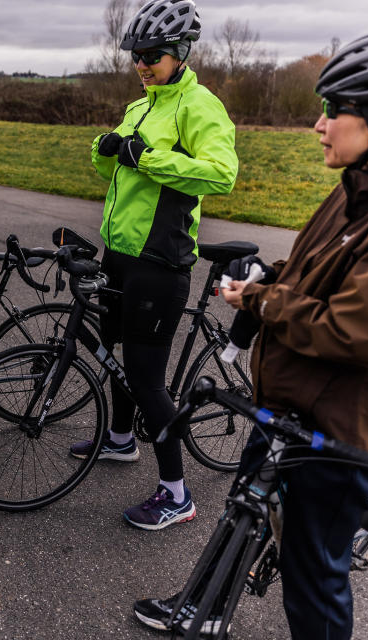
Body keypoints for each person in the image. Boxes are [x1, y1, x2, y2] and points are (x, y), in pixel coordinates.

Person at [135, 28, 368, 639]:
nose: (319, 124)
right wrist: (263, 276)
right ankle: (200, 610)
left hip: (339, 437)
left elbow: (356, 332)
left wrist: (262, 299)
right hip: (285, 413)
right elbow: (306, 272)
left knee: (312, 577)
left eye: (334, 110)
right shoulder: (354, 194)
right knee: (241, 515)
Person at [69, 0, 238, 529]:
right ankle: (120, 441)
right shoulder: (142, 105)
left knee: (146, 380)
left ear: (181, 52)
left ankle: (177, 495)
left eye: (153, 55)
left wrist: (147, 156)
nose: (142, 63)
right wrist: (107, 148)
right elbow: (118, 177)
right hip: (120, 253)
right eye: (136, 55)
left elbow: (221, 174)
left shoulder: (198, 105)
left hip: (160, 262)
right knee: (114, 357)